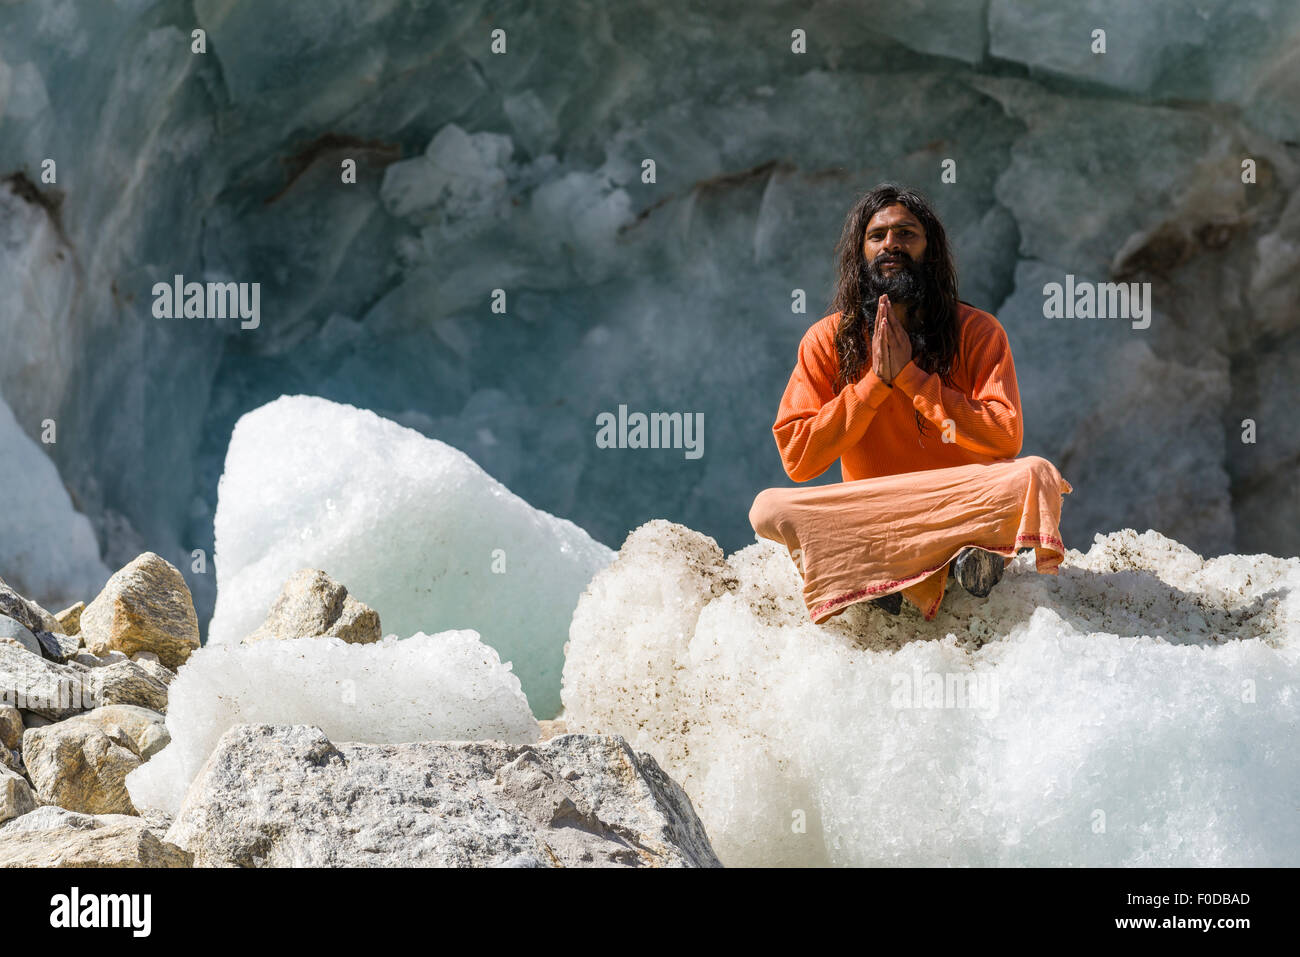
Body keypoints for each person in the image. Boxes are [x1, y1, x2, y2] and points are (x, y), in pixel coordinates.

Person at [748, 183, 1073, 622]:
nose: (891, 245)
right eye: (878, 235)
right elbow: (799, 459)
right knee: (769, 507)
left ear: (930, 250)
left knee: (1034, 473)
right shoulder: (827, 339)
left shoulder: (977, 331)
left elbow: (1004, 437)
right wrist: (874, 385)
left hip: (954, 503)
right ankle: (945, 559)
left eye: (906, 233)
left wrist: (912, 379)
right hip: (877, 510)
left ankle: (885, 566)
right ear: (860, 251)